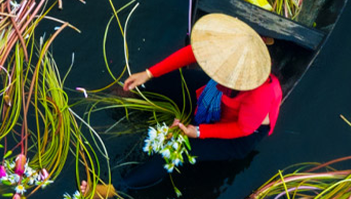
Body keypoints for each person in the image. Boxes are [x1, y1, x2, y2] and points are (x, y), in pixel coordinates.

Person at [110, 13, 283, 192]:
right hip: (217, 97)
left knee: (171, 152)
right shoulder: (230, 48)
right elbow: (195, 52)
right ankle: (134, 92)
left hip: (237, 132)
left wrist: (198, 131)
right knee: (168, 81)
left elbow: (242, 128)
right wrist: (149, 73)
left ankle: (113, 189)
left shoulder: (261, 93)